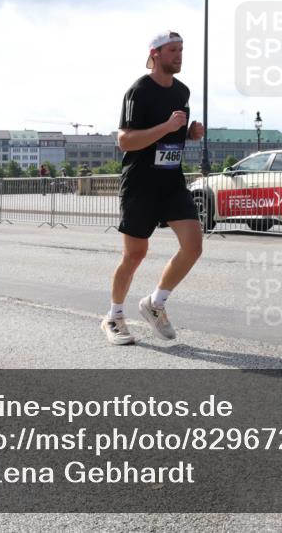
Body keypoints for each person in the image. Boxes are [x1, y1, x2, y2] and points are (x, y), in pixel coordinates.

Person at [102, 30, 205, 345]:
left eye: (182, 50)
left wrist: (189, 134)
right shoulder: (139, 91)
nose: (179, 55)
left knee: (193, 246)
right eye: (173, 50)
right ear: (156, 53)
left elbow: (171, 134)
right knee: (135, 254)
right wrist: (167, 127)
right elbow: (125, 141)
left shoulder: (182, 91)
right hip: (141, 183)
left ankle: (155, 303)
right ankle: (114, 316)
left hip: (172, 181)